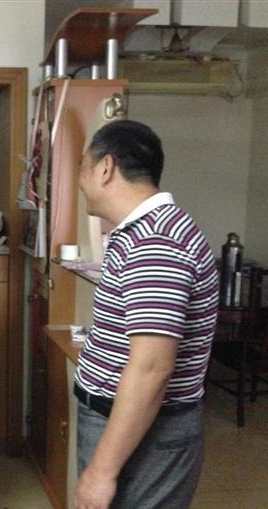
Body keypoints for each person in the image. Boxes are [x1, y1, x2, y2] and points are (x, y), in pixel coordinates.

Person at [73, 120, 219, 509]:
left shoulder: (155, 241)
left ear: (105, 168)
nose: (80, 181)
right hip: (130, 426)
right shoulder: (144, 232)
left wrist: (101, 472)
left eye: (82, 168)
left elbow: (153, 368)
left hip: (146, 433)